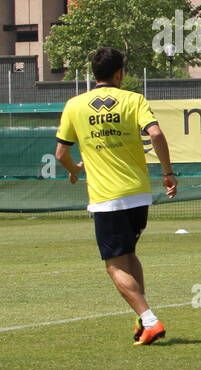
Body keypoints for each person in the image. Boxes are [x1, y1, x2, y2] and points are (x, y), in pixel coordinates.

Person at [53, 46, 178, 345]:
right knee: (129, 254)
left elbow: (61, 153)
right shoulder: (133, 99)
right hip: (138, 194)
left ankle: (149, 320)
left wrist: (74, 169)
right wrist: (167, 173)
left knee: (113, 263)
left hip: (107, 198)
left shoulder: (75, 105)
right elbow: (156, 134)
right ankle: (141, 318)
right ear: (119, 73)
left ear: (94, 74)